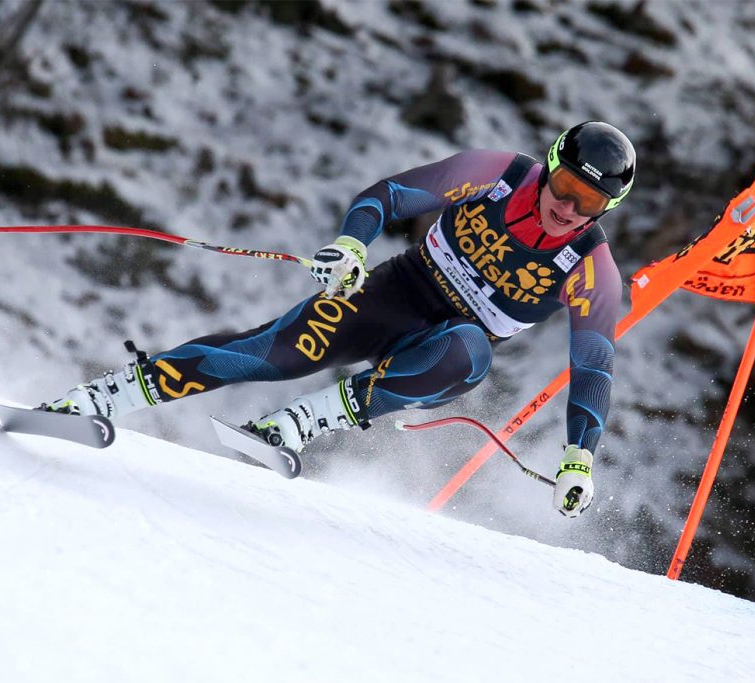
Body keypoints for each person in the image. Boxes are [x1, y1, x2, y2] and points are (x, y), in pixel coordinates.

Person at [43, 121, 636, 518]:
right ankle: (96, 399)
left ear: (605, 209)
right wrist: (353, 246)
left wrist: (579, 455)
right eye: (563, 187)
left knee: (469, 354)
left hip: (443, 345)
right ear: (550, 167)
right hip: (393, 292)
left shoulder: (589, 267)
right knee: (265, 355)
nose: (565, 208)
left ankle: (297, 424)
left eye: (587, 203)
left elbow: (593, 366)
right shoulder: (499, 173)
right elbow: (390, 194)